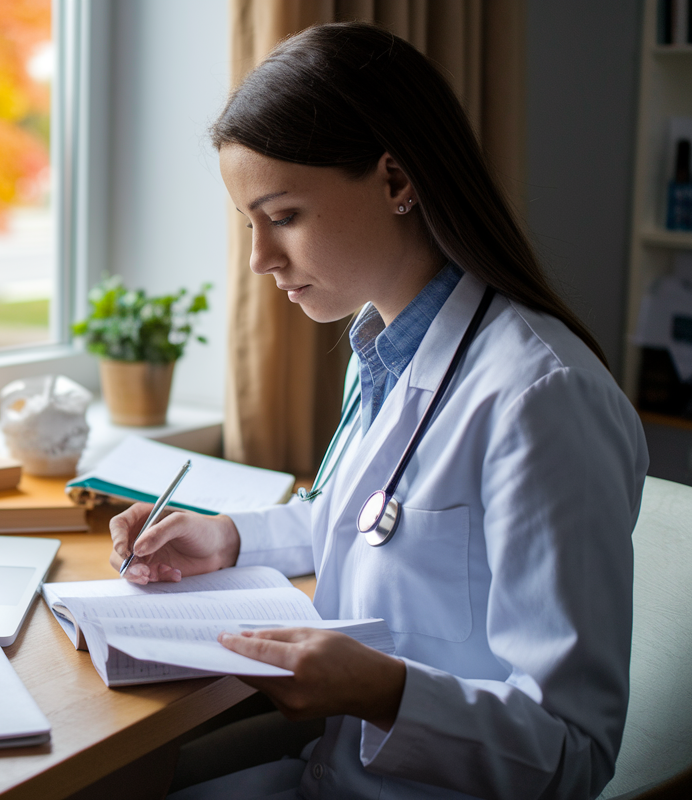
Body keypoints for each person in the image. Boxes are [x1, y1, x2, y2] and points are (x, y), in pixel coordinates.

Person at [109, 22, 648, 800]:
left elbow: (572, 755)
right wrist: (227, 537)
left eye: (283, 215)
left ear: (397, 181)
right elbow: (374, 519)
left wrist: (386, 694)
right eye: (249, 224)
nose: (261, 257)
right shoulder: (386, 350)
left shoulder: (542, 401)